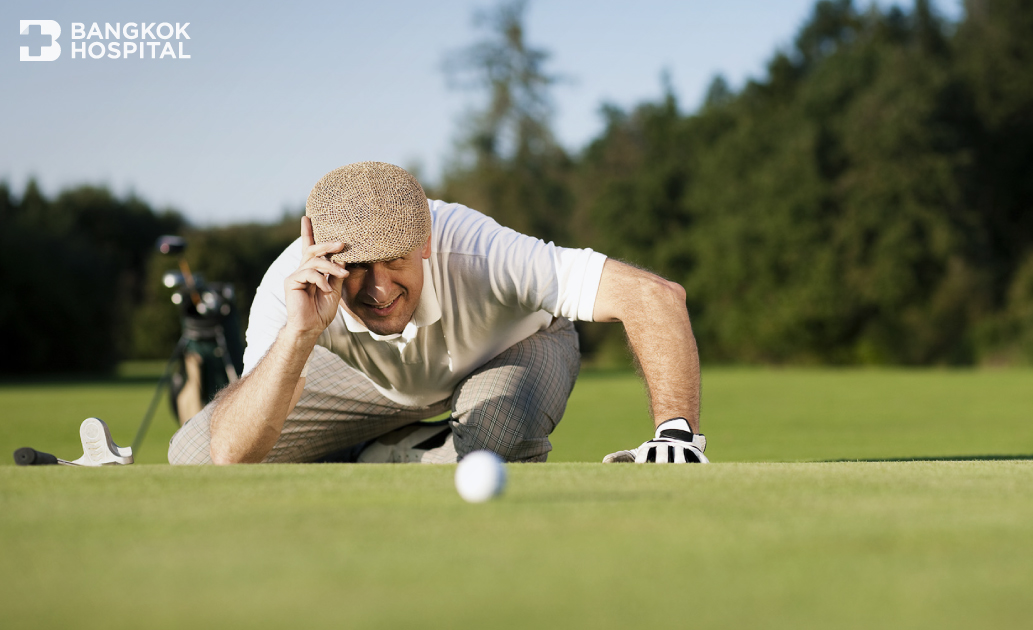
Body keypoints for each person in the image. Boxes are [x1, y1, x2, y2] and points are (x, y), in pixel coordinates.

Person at [167, 161, 708, 465]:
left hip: (513, 349)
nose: (378, 289)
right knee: (195, 455)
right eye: (356, 267)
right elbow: (230, 456)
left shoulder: (482, 249)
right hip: (376, 380)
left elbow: (654, 296)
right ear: (315, 244)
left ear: (426, 239)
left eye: (394, 261)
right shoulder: (294, 286)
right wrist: (299, 335)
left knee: (493, 438)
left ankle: (456, 445)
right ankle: (401, 450)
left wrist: (676, 436)